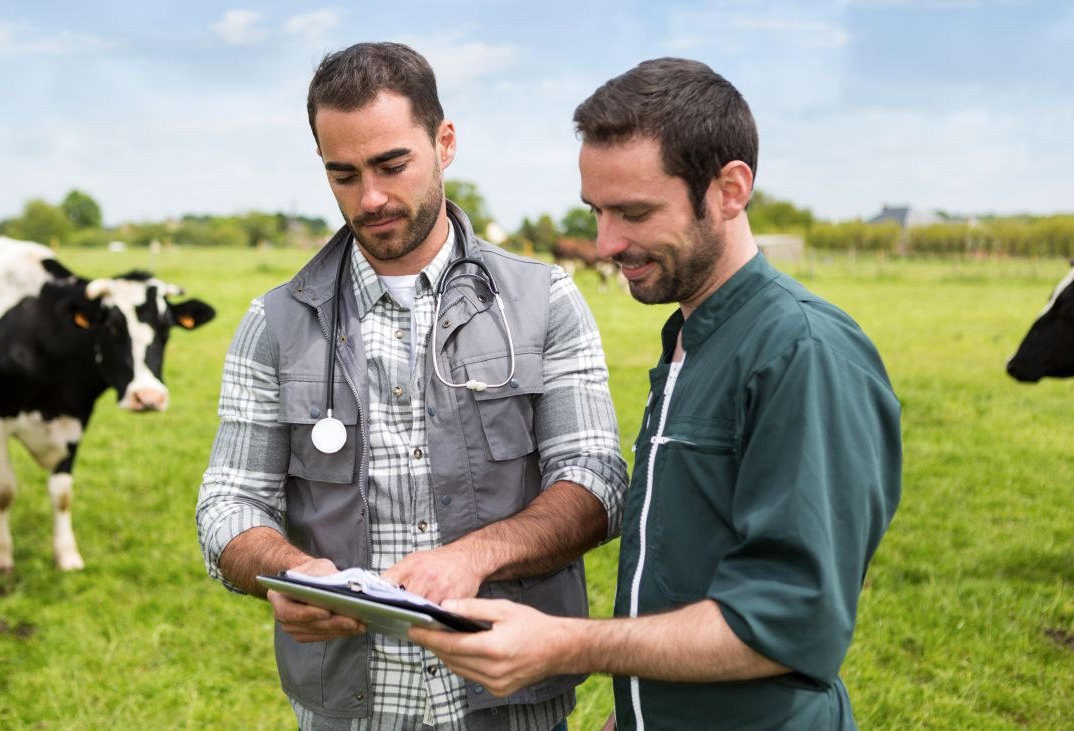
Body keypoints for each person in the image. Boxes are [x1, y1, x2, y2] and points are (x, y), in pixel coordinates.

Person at [410, 57, 903, 730]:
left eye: (634, 212)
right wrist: (638, 711)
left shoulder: (801, 353)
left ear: (730, 190)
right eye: (597, 211)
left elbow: (787, 621)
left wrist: (562, 641)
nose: (606, 243)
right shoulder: (688, 337)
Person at [196, 42, 627, 730]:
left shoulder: (545, 300)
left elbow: (597, 482)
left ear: (444, 141)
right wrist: (283, 567)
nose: (369, 198)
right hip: (350, 707)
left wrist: (476, 554)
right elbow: (227, 504)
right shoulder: (272, 323)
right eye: (343, 175)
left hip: (509, 697)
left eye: (392, 165)